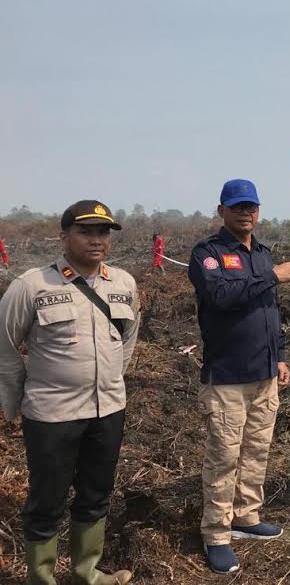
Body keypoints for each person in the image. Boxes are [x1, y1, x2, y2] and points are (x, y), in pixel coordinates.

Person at [0, 201, 139, 584]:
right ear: (63, 237)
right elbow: (6, 346)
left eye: (103, 232)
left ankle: (86, 572)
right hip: (51, 415)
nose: (96, 240)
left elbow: (127, 339)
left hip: (108, 411)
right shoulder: (32, 285)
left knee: (96, 494)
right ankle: (41, 577)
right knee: (47, 500)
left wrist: (112, 381)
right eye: (85, 231)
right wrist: (14, 404)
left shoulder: (124, 284)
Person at [188, 178, 290, 574]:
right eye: (237, 206)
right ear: (221, 210)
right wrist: (272, 276)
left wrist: (282, 357)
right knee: (223, 457)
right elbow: (221, 297)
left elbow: (271, 313)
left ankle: (246, 516)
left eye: (251, 206)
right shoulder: (208, 253)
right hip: (227, 378)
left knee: (256, 450)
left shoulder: (263, 254)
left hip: (265, 374)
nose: (245, 213)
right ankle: (216, 533)